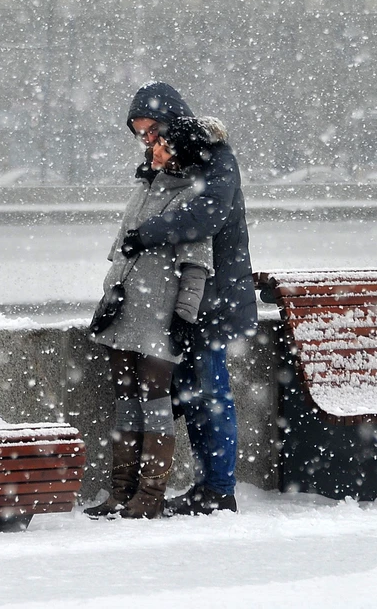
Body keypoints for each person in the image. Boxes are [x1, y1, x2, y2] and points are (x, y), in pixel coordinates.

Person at [121, 82, 258, 516]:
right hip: (184, 300)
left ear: (171, 122)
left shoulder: (216, 157)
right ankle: (206, 486)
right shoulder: (171, 161)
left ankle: (219, 489)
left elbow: (205, 217)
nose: (147, 141)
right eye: (140, 134)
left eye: (151, 130)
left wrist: (148, 233)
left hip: (214, 298)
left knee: (211, 394)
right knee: (194, 395)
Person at [83, 116, 218, 519]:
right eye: (156, 143)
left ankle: (151, 494)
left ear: (183, 155)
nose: (155, 149)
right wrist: (109, 293)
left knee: (155, 402)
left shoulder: (193, 198)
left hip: (159, 315)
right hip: (123, 310)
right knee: (125, 399)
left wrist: (183, 318)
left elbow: (196, 267)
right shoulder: (145, 185)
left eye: (165, 146)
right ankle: (121, 491)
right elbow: (121, 250)